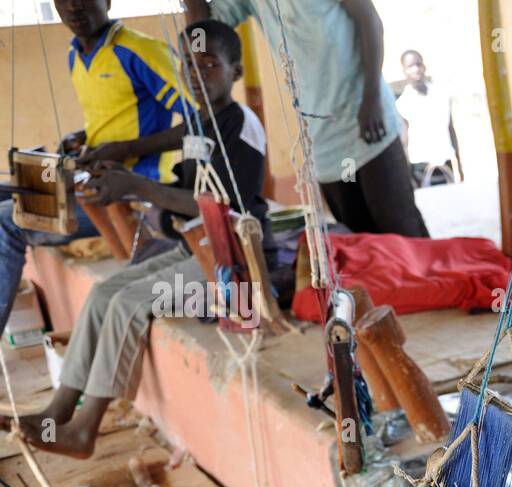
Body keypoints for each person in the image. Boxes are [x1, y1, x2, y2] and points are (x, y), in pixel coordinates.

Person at [3, 20, 267, 459]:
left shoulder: (239, 126)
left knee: (129, 303)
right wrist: (121, 160)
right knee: (106, 291)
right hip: (196, 248)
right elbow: (177, 165)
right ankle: (58, 411)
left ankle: (85, 429)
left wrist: (137, 187)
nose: (196, 74)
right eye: (187, 64)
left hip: (234, 268)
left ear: (235, 72)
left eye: (209, 64)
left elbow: (217, 207)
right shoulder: (202, 121)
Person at [0, 0, 191, 333]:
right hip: (94, 183)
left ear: (107, 1)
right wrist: (83, 137)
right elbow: (116, 117)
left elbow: (203, 120)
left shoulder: (139, 51)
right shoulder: (77, 55)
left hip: (135, 194)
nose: (74, 6)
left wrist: (127, 149)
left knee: (5, 222)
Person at [183, 0, 429, 237]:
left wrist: (372, 98)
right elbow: (201, 38)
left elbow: (369, 20)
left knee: (402, 231)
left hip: (367, 122)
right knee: (362, 239)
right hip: (324, 143)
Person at [396, 49, 459, 187]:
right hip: (420, 167)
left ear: (424, 66)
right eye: (410, 66)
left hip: (445, 163)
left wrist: (460, 167)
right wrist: (408, 178)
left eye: (418, 64)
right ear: (404, 71)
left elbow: (451, 129)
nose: (416, 69)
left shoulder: (441, 94)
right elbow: (404, 142)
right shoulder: (402, 104)